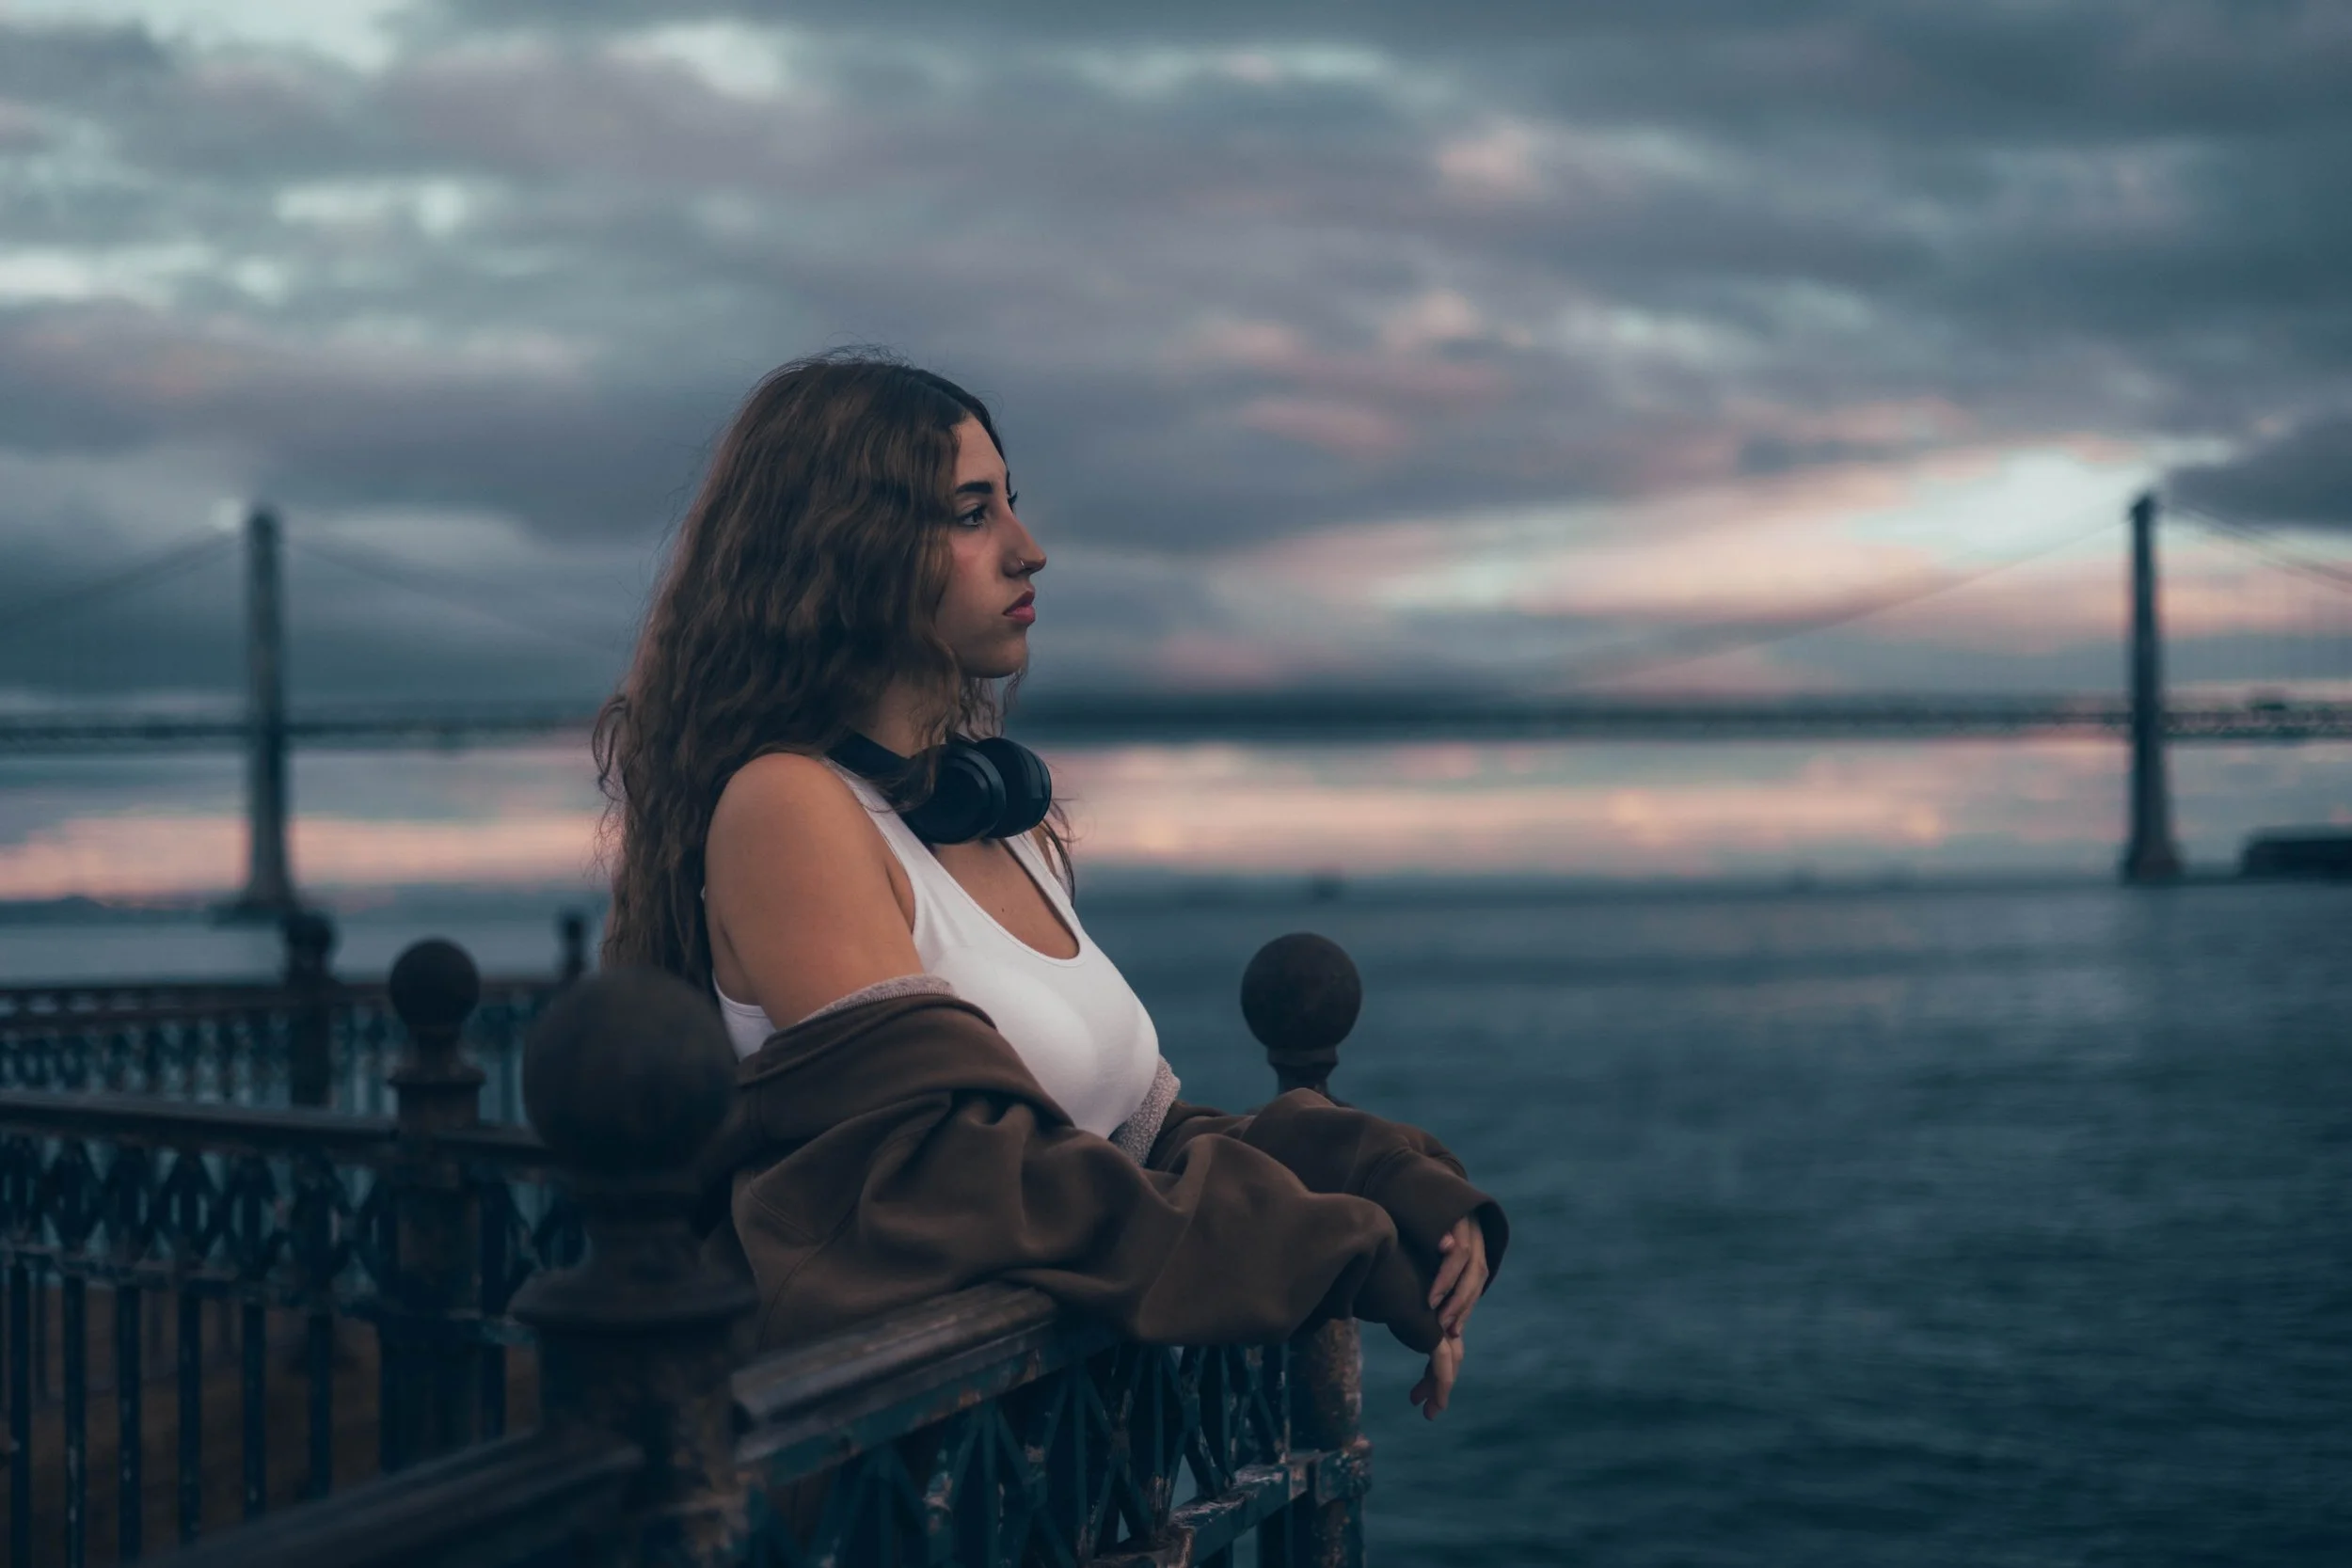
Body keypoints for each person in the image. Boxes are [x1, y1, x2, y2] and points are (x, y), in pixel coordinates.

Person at [596, 353, 1503, 1418]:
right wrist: (1344, 1254)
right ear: (848, 548)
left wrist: (1398, 1190)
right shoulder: (787, 809)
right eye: (971, 514)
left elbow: (1135, 1144)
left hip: (1054, 1470)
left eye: (1010, 505)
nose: (1029, 550)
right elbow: (953, 1179)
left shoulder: (997, 820)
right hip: (899, 1482)